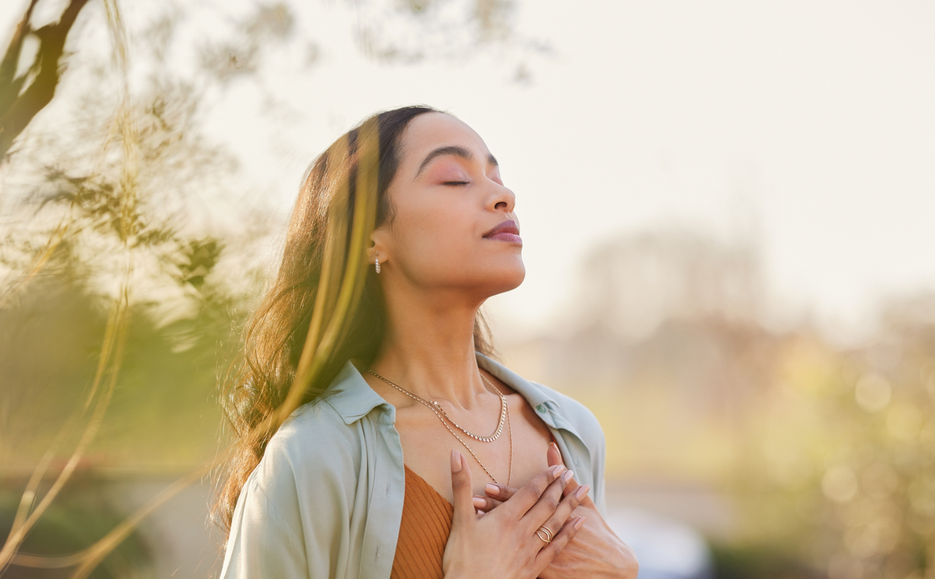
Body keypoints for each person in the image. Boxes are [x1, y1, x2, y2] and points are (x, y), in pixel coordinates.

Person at [212, 106, 638, 578]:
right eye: (456, 178)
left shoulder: (574, 433)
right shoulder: (314, 458)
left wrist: (623, 571)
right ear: (371, 239)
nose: (504, 195)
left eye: (496, 176)